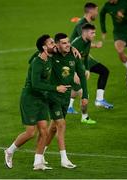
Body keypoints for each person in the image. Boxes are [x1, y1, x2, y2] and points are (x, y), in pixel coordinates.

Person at [4, 35, 69, 170]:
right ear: (45, 47)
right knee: (30, 133)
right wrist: (55, 88)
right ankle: (9, 151)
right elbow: (35, 84)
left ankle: (38, 163)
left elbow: (62, 48)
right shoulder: (37, 63)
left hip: (42, 99)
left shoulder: (49, 58)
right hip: (30, 99)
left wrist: (72, 48)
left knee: (44, 131)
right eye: (51, 43)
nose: (54, 45)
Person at [43, 33, 89, 168]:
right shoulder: (52, 55)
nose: (67, 45)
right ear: (57, 45)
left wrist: (85, 96)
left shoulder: (74, 56)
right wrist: (53, 49)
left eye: (68, 42)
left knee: (52, 128)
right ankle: (64, 159)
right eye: (63, 43)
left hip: (65, 97)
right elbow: (42, 51)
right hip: (53, 96)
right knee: (61, 125)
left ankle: (40, 153)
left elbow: (81, 75)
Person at [68, 2, 113, 114]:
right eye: (96, 11)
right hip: (75, 57)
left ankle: (70, 106)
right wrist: (96, 45)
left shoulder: (85, 23)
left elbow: (85, 44)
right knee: (102, 72)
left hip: (82, 55)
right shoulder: (82, 25)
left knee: (79, 82)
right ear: (91, 11)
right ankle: (97, 101)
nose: (97, 13)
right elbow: (80, 41)